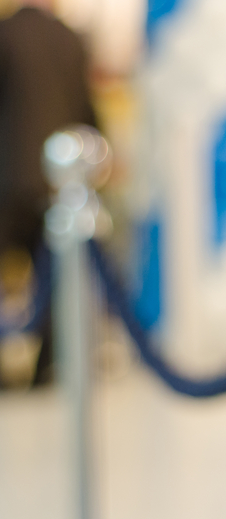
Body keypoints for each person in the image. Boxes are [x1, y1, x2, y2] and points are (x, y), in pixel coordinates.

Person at [0, 0, 96, 386]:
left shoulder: (5, 33)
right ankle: (47, 366)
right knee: (55, 276)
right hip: (57, 181)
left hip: (7, 179)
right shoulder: (69, 39)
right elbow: (86, 111)